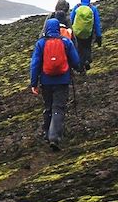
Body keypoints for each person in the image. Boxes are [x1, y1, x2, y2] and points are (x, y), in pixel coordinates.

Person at [30, 18, 81, 150]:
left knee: (48, 107)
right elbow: (75, 60)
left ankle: (47, 133)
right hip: (62, 80)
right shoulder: (65, 42)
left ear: (46, 28)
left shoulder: (41, 43)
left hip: (46, 81)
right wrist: (77, 68)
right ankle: (55, 137)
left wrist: (33, 83)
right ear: (58, 28)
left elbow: (35, 64)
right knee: (58, 108)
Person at [70, 0, 102, 73]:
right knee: (87, 46)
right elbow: (97, 23)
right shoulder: (93, 9)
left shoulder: (76, 7)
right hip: (88, 32)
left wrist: (70, 31)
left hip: (77, 32)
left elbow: (71, 20)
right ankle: (87, 59)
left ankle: (80, 67)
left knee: (79, 48)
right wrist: (98, 36)